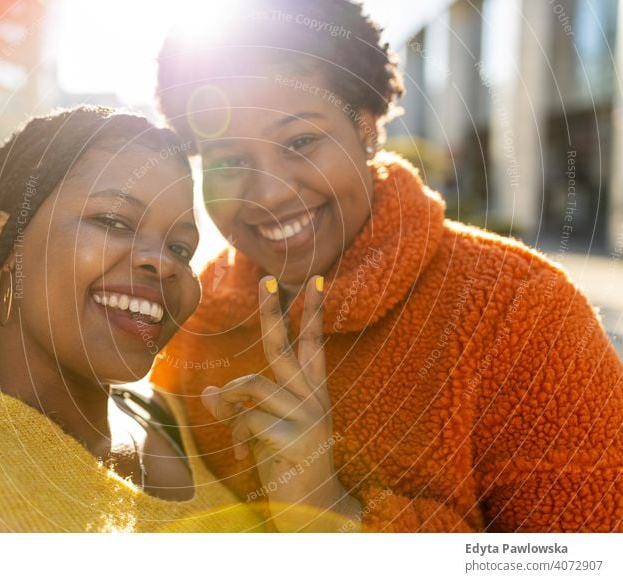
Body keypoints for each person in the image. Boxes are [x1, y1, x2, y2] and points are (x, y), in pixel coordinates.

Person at [151, 0, 623, 532]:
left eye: (301, 141)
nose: (269, 194)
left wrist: (335, 519)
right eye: (230, 160)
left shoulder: (521, 312)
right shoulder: (191, 318)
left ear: (367, 127)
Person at [0, 106, 268, 532]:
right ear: (3, 236)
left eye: (181, 249)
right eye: (114, 221)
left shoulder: (179, 421)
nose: (165, 264)